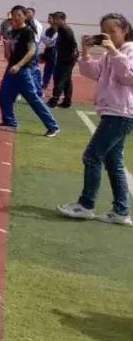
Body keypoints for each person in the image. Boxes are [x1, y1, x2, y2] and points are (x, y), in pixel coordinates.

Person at [57, 13, 133, 225]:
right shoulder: (110, 54)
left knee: (92, 156)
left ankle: (86, 205)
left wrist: (114, 50)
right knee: (113, 160)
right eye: (104, 32)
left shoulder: (128, 50)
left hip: (121, 112)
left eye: (112, 31)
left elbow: (127, 75)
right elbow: (93, 73)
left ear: (125, 30)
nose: (108, 35)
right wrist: (86, 51)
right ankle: (120, 210)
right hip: (112, 111)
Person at [0, 5, 60, 137]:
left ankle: (52, 126)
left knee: (33, 99)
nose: (16, 17)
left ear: (24, 16)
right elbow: (11, 51)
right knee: (4, 95)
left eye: (19, 15)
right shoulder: (13, 31)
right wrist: (7, 48)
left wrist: (19, 65)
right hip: (12, 69)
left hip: (23, 70)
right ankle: (9, 122)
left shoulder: (28, 31)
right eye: (14, 15)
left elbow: (32, 51)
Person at [47, 11, 79, 108]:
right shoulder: (60, 29)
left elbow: (73, 44)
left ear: (63, 20)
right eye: (55, 19)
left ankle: (54, 100)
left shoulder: (66, 30)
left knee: (60, 79)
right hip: (63, 57)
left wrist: (74, 56)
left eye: (57, 19)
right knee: (67, 81)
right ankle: (67, 102)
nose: (55, 21)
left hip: (67, 59)